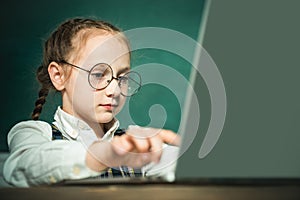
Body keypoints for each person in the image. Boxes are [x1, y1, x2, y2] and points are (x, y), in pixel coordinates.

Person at [3, 17, 180, 187]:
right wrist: (103, 154)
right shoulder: (32, 132)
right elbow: (24, 166)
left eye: (122, 78)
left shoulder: (133, 143)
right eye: (98, 74)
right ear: (59, 76)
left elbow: (183, 165)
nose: (114, 90)